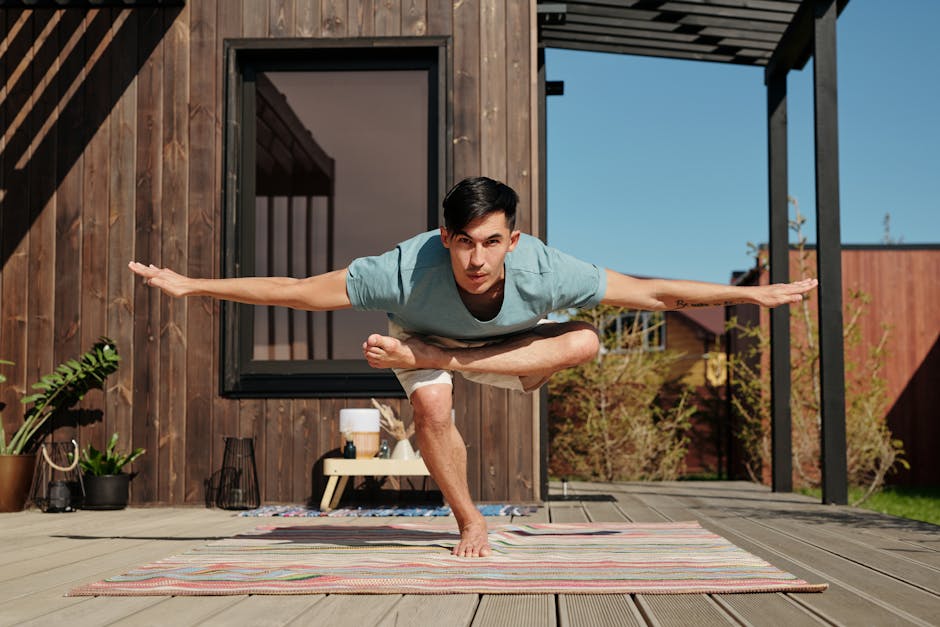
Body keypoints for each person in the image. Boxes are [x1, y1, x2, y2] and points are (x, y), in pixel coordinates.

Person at [130, 176, 817, 558]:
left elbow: (654, 293)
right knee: (430, 404)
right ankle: (469, 521)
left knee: (584, 342)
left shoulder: (546, 268)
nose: (478, 259)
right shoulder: (404, 270)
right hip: (420, 340)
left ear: (513, 240)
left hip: (501, 349)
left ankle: (455, 361)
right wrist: (193, 286)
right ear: (444, 239)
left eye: (492, 242)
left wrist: (749, 294)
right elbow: (298, 290)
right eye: (464, 243)